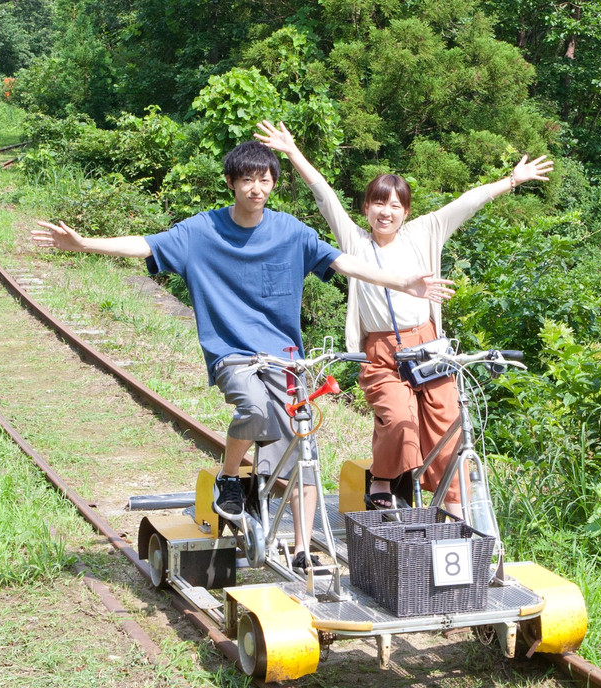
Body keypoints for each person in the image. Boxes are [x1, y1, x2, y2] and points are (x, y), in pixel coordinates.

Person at [31, 140, 454, 572]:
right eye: (247, 179)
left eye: (264, 179)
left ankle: (303, 549)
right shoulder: (202, 231)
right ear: (231, 182)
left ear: (273, 184)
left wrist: (403, 283)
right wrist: (84, 244)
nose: (256, 188)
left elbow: (345, 264)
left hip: (286, 358)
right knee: (253, 407)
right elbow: (145, 245)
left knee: (303, 451)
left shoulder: (290, 231)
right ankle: (230, 477)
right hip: (232, 353)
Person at [256, 120, 552, 516]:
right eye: (379, 203)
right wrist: (293, 152)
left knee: (447, 423)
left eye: (395, 205)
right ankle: (381, 478)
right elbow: (324, 195)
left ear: (406, 211)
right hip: (381, 352)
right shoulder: (355, 242)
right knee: (398, 417)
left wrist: (512, 181)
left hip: (428, 346)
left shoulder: (424, 232)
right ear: (366, 208)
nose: (386, 212)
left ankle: (452, 504)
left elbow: (467, 202)